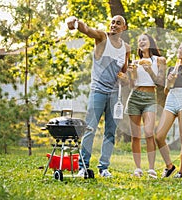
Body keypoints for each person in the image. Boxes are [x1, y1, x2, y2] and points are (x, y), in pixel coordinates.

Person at [67, 15, 130, 177]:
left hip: (115, 94)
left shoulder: (126, 48)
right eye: (113, 22)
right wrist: (74, 21)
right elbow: (87, 29)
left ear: (124, 28)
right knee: (90, 128)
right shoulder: (102, 37)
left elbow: (124, 72)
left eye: (118, 23)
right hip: (98, 91)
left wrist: (125, 77)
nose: (114, 25)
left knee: (110, 131)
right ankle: (83, 166)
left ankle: (104, 168)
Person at [155, 39, 182, 178]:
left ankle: (181, 172)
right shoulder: (171, 69)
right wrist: (169, 82)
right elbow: (167, 91)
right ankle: (169, 165)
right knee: (159, 136)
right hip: (171, 99)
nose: (179, 51)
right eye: (179, 48)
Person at [126, 33, 166, 178]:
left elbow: (160, 83)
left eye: (144, 39)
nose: (141, 42)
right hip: (135, 97)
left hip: (150, 98)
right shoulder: (135, 62)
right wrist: (132, 74)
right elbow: (131, 85)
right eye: (139, 40)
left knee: (149, 133)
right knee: (135, 135)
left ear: (150, 42)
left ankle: (151, 168)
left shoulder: (159, 60)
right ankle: (138, 168)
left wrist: (149, 71)